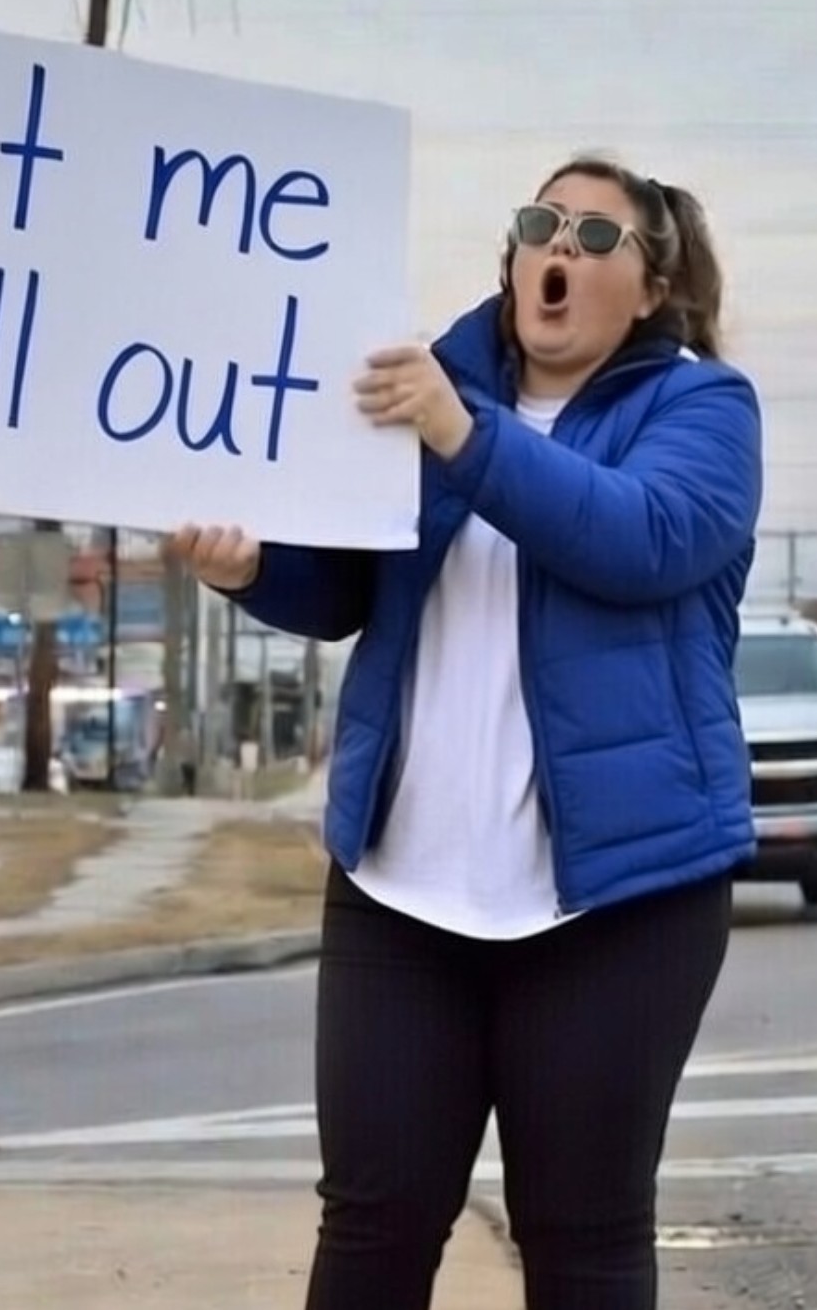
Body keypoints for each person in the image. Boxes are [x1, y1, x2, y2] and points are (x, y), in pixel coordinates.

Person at [168, 154, 763, 1310]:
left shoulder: (700, 408)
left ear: (650, 288)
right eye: (542, 225)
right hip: (404, 893)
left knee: (581, 1239)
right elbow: (343, 586)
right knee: (373, 1229)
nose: (560, 249)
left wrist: (464, 434)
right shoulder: (425, 392)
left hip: (619, 903)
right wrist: (251, 570)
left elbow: (637, 539)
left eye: (598, 238)